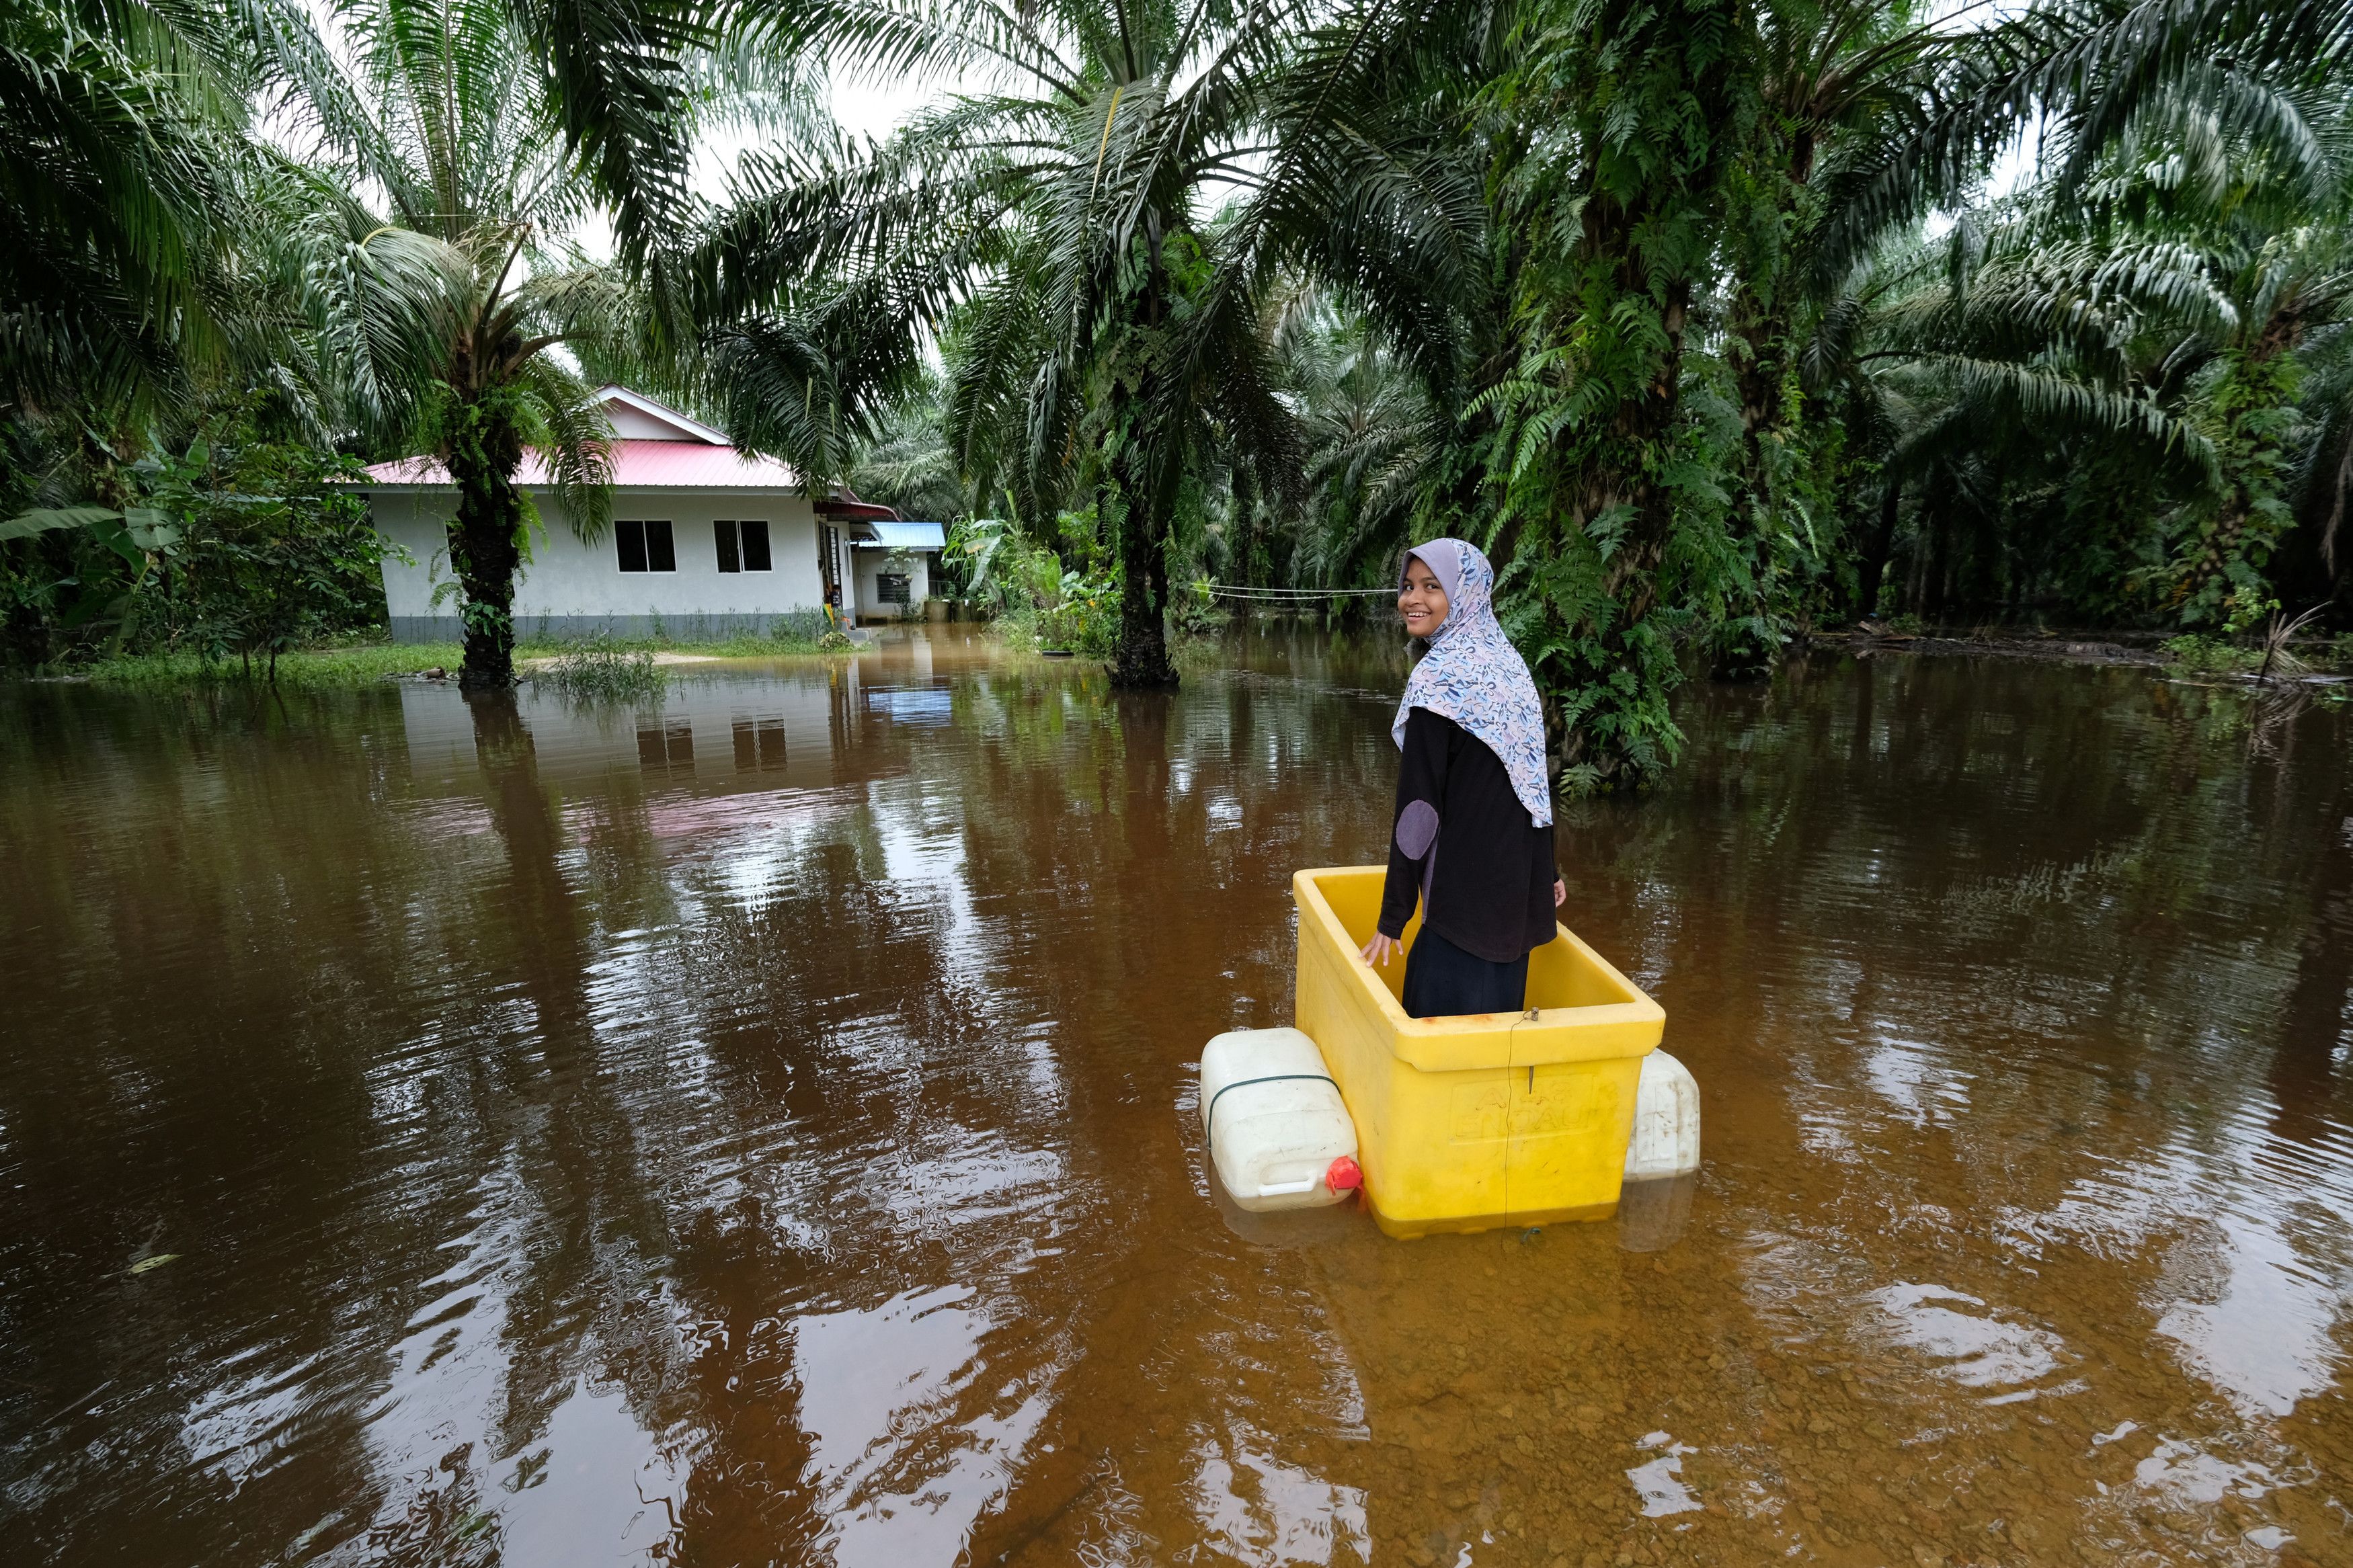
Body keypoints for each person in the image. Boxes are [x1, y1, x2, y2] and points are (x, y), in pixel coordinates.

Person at [1357, 538, 1565, 1018]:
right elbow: (1535, 781)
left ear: (1465, 592)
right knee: (1497, 1037)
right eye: (1408, 586)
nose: (1413, 599)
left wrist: (1393, 917)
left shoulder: (1439, 681)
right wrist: (1548, 869)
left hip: (1460, 907)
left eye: (1432, 586)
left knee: (1437, 1037)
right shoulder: (1511, 669)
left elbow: (1419, 811)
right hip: (1514, 902)